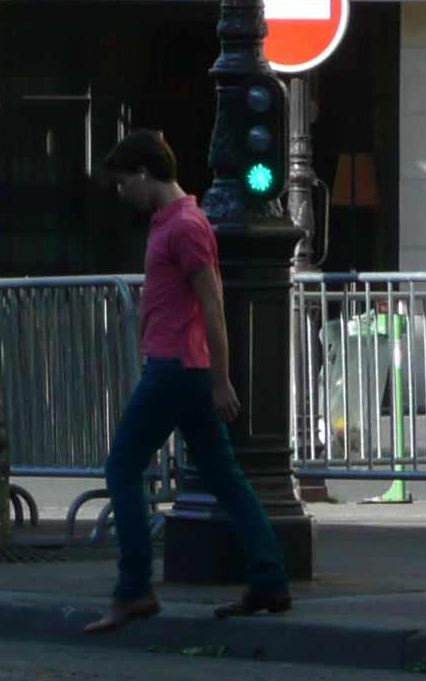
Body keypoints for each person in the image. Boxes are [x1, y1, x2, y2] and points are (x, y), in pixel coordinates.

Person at [86, 131, 292, 632]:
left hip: (176, 366)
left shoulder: (185, 226)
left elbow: (213, 302)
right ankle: (268, 579)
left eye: (122, 183)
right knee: (225, 477)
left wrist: (222, 379)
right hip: (186, 367)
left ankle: (134, 588)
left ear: (142, 174)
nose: (122, 194)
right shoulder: (172, 223)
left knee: (122, 466)